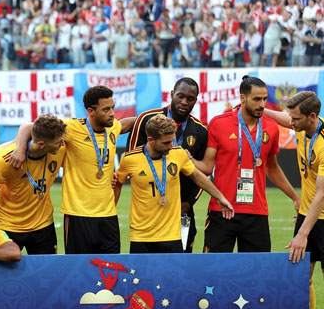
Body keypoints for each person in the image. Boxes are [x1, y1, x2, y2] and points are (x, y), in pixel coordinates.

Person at [12, 86, 137, 254]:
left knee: (111, 267)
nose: (112, 113)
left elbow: (124, 125)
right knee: (78, 269)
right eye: (106, 109)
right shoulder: (71, 128)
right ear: (90, 111)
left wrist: (147, 118)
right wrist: (20, 149)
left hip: (108, 215)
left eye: (113, 108)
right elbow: (29, 126)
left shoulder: (112, 127)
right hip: (78, 214)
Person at [193, 76, 299, 252]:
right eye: (257, 99)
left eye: (265, 99)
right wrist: (188, 159)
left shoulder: (271, 127)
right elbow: (206, 166)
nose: (262, 104)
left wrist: (295, 197)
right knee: (214, 272)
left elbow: (271, 167)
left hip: (256, 213)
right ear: (243, 98)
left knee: (257, 276)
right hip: (222, 210)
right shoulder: (219, 123)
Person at [115, 116, 234, 254]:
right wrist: (111, 210)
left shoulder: (178, 153)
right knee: (141, 276)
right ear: (150, 140)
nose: (171, 146)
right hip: (140, 236)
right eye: (166, 143)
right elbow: (118, 183)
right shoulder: (130, 159)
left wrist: (220, 197)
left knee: (173, 276)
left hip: (172, 235)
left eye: (172, 141)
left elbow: (196, 175)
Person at [127, 78, 207, 252]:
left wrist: (189, 202)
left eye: (190, 98)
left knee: (179, 267)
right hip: (148, 212)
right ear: (171, 95)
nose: (184, 102)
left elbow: (202, 174)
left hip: (182, 209)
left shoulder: (200, 131)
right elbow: (132, 161)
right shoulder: (146, 120)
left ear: (196, 100)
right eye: (180, 96)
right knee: (143, 270)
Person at [277, 92, 324, 309]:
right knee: (301, 276)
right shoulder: (301, 126)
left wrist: (302, 233)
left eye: (295, 119)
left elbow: (322, 195)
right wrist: (254, 110)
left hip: (320, 214)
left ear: (312, 117)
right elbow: (282, 118)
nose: (290, 123)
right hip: (309, 213)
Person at [0, 115, 66, 255]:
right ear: (41, 144)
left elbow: (28, 125)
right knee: (4, 273)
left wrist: (21, 145)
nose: (63, 144)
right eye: (59, 142)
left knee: (46, 272)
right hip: (9, 224)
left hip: (43, 225)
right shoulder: (7, 160)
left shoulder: (59, 149)